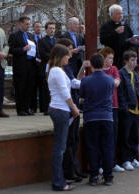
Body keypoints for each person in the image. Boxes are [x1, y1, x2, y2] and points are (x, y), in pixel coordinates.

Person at [47, 44, 80, 191]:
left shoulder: (58, 70)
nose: (69, 57)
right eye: (67, 55)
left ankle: (59, 178)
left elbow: (72, 85)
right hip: (60, 109)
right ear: (60, 56)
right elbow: (65, 93)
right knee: (60, 148)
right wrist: (74, 108)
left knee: (60, 147)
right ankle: (58, 182)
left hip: (60, 109)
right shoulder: (57, 71)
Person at [79, 53, 115, 186]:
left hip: (91, 117)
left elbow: (81, 96)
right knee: (107, 147)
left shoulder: (86, 80)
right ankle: (108, 177)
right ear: (103, 64)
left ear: (91, 65)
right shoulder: (110, 80)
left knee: (92, 147)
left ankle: (94, 176)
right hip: (107, 117)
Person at [57, 38, 88, 182]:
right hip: (67, 107)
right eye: (69, 49)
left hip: (73, 104)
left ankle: (75, 168)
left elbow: (75, 81)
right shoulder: (59, 68)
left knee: (74, 139)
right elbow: (72, 84)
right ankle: (69, 171)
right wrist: (90, 83)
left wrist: (82, 68)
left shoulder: (68, 66)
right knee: (69, 141)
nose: (71, 52)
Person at [118, 50, 139, 171]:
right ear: (126, 61)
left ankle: (134, 158)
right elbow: (121, 93)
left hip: (137, 109)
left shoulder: (135, 74)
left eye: (136, 60)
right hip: (127, 110)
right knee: (125, 137)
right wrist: (124, 108)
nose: (135, 62)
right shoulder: (121, 73)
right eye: (132, 60)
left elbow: (138, 90)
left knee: (135, 136)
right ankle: (125, 160)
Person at [99, 47, 124, 172]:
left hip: (113, 105)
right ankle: (101, 164)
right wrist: (109, 81)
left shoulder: (114, 69)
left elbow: (117, 83)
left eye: (112, 58)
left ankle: (112, 163)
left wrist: (104, 81)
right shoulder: (98, 70)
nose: (111, 60)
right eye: (109, 58)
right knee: (101, 136)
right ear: (103, 58)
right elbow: (111, 82)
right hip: (102, 106)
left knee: (113, 135)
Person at [8, 16, 36, 116]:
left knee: (29, 87)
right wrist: (23, 49)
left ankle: (27, 107)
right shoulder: (14, 36)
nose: (28, 26)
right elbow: (11, 50)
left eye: (29, 24)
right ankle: (20, 109)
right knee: (20, 87)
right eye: (26, 24)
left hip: (30, 64)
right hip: (20, 65)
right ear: (20, 24)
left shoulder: (31, 36)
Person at [100, 4, 137, 69]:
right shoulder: (105, 26)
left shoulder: (125, 26)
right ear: (111, 15)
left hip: (125, 58)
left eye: (121, 14)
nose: (121, 16)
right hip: (114, 58)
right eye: (118, 14)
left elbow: (130, 39)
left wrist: (132, 42)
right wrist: (115, 33)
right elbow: (103, 40)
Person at [38, 22, 56, 115]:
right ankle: (45, 108)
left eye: (53, 28)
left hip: (56, 66)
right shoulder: (42, 41)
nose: (52, 30)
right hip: (46, 66)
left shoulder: (58, 40)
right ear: (46, 29)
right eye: (50, 28)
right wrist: (53, 58)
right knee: (45, 88)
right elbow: (42, 53)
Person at [31, 21, 44, 113]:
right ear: (33, 28)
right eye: (36, 27)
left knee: (43, 87)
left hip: (42, 66)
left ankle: (43, 107)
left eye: (40, 27)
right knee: (33, 87)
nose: (38, 28)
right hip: (33, 65)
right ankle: (33, 107)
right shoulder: (30, 38)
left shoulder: (44, 38)